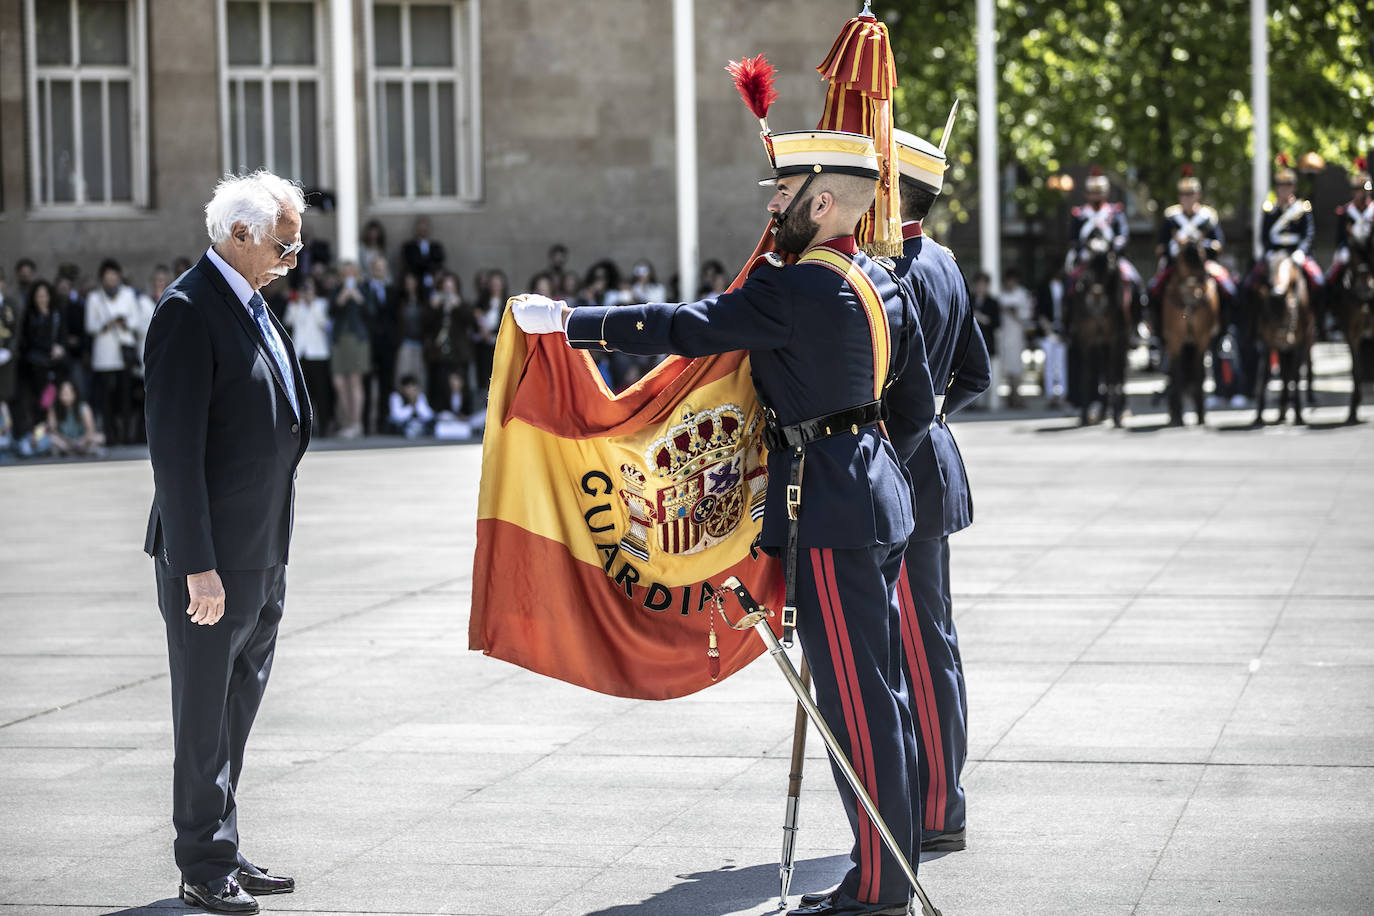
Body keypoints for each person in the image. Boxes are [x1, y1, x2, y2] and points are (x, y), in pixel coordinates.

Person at [514, 129, 922, 916]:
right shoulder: (873, 277)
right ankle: (885, 871)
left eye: (784, 194)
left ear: (823, 202)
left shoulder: (798, 286)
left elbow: (688, 324)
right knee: (883, 694)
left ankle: (879, 890)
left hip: (831, 506)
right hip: (873, 488)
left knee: (853, 703)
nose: (772, 207)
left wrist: (571, 321)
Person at [142, 169, 311, 916]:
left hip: (261, 547)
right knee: (204, 714)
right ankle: (201, 862)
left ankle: (224, 841)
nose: (292, 258)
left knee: (236, 711)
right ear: (237, 234)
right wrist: (197, 568)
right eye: (284, 243)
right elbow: (173, 456)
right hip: (212, 561)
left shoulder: (251, 304)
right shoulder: (188, 310)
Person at [885, 127, 990, 858]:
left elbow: (908, 395)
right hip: (933, 463)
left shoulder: (897, 270)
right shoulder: (945, 260)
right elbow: (973, 374)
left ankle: (937, 811)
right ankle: (939, 797)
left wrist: (895, 454)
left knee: (922, 648)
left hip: (905, 472)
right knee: (934, 641)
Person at [1249, 155, 1324, 294]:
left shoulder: (1302, 208)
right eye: (1281, 186)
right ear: (1277, 188)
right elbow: (1264, 235)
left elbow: (1308, 235)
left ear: (1294, 187)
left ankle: (1318, 315)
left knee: (1319, 282)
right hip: (1274, 253)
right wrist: (1269, 251)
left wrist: (1301, 251)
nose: (1284, 190)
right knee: (1248, 283)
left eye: (1288, 186)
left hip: (1297, 253)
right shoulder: (1269, 210)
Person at [85, 259, 140, 445]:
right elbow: (90, 326)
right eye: (107, 277)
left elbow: (137, 321)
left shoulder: (128, 294)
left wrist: (125, 322)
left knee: (125, 396)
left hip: (123, 351)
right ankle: (110, 434)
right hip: (104, 355)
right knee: (106, 398)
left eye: (114, 277)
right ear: (102, 278)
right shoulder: (95, 297)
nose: (111, 280)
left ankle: (126, 434)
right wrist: (105, 324)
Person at [283, 275, 333, 432]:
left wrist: (311, 305)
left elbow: (324, 324)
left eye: (309, 288)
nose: (307, 291)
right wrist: (298, 303)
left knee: (321, 392)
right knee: (305, 393)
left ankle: (324, 426)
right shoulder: (295, 305)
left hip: (318, 354)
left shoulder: (321, 304)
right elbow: (288, 321)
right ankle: (307, 427)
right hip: (301, 353)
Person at [329, 261, 372, 438]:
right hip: (339, 339)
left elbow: (371, 311)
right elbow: (331, 312)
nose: (348, 277)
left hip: (358, 340)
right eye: (345, 274)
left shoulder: (363, 289)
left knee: (355, 381)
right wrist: (343, 297)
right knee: (339, 382)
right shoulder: (337, 290)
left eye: (351, 273)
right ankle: (347, 422)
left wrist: (358, 297)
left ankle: (357, 423)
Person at [18, 280, 66, 435]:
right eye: (39, 296)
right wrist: (49, 347)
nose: (42, 299)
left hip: (54, 365)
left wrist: (59, 348)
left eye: (45, 296)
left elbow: (62, 336)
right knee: (39, 403)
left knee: (54, 401)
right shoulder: (30, 316)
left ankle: (55, 434)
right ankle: (39, 437)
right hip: (35, 367)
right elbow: (28, 340)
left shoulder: (56, 314)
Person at [362, 254, 397, 434]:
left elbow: (396, 317)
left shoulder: (392, 290)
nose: (379, 270)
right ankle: (366, 423)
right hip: (369, 342)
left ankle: (383, 422)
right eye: (376, 266)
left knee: (386, 384)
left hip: (387, 344)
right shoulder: (364, 289)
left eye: (382, 267)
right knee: (366, 383)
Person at [1328, 157, 1373, 289]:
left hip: (1370, 249)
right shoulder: (1346, 211)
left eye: (1364, 190)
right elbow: (1340, 237)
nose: (1361, 194)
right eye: (1358, 190)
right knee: (1338, 267)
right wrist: (1343, 247)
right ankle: (1332, 296)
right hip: (1350, 248)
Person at [997, 269, 1033, 407]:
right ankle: (1010, 397)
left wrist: (1014, 312)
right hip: (1004, 335)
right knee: (1006, 368)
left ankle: (1017, 396)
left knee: (1017, 367)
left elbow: (1027, 315)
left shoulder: (1022, 294)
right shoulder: (1001, 295)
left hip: (1017, 334)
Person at [47, 378, 103, 457]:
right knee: (51, 439)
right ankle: (77, 452)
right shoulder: (55, 408)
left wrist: (81, 441)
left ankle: (74, 451)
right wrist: (67, 440)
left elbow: (90, 430)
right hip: (64, 441)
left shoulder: (84, 407)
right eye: (63, 393)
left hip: (81, 440)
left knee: (99, 438)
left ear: (74, 393)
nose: (65, 396)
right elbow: (52, 430)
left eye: (67, 393)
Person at [401, 215, 445, 290]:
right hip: (416, 278)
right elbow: (411, 263)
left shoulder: (436, 246)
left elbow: (439, 261)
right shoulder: (409, 246)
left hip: (433, 277)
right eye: (420, 226)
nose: (422, 229)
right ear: (416, 228)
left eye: (424, 226)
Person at [388, 373, 435, 437]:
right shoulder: (396, 396)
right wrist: (411, 406)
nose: (411, 390)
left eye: (413, 387)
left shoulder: (420, 396)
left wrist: (416, 402)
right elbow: (396, 416)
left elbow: (428, 415)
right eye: (409, 387)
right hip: (401, 426)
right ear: (403, 388)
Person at [0, 269, 17, 418]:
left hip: (6, 357)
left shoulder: (10, 304)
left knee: (4, 395)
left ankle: (4, 432)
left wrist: (9, 351)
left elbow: (16, 331)